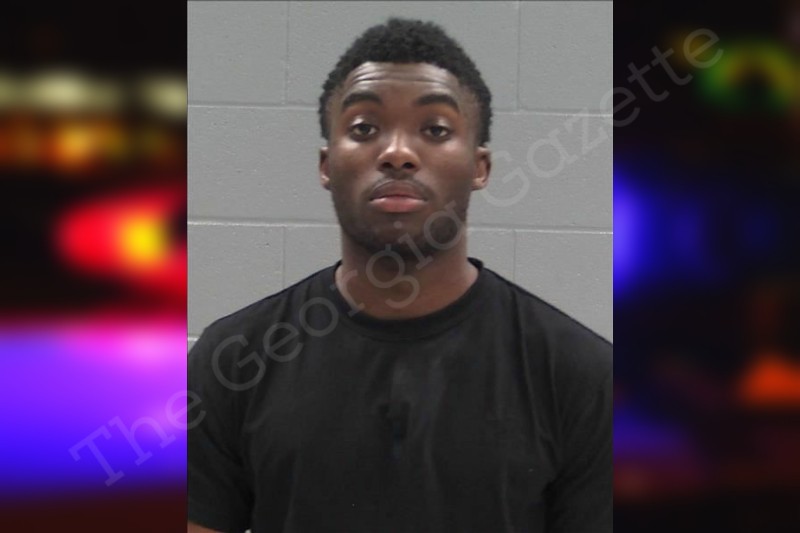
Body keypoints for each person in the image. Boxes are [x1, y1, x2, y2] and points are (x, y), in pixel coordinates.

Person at [188, 18, 612, 533]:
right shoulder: (235, 360)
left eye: (435, 130)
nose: (397, 153)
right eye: (364, 128)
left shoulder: (579, 375)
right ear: (326, 164)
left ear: (480, 167)